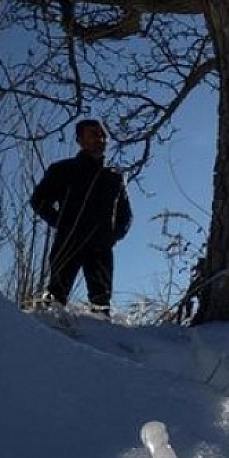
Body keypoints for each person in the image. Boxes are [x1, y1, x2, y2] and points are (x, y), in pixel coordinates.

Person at [30, 119, 132, 315]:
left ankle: (99, 342)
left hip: (100, 247)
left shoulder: (114, 177)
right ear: (80, 140)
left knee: (101, 304)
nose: (100, 139)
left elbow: (126, 215)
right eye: (94, 134)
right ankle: (47, 337)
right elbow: (39, 200)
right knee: (55, 299)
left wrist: (112, 236)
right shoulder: (63, 170)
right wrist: (61, 223)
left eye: (103, 135)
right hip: (68, 241)